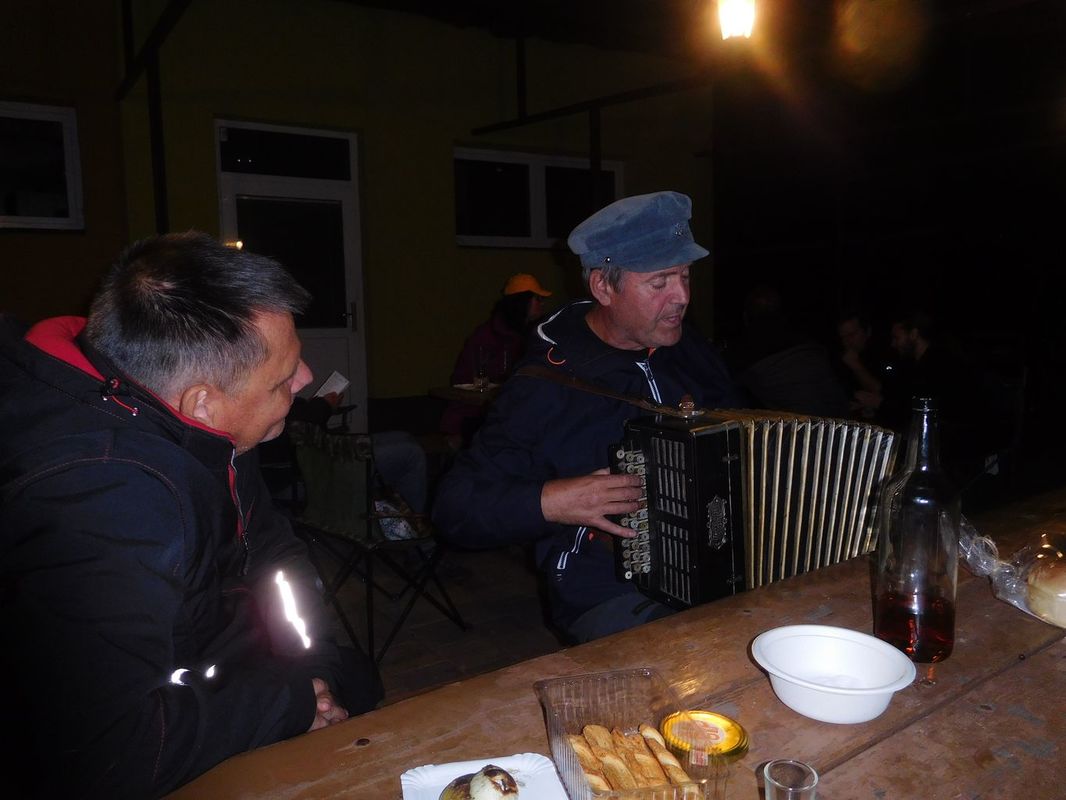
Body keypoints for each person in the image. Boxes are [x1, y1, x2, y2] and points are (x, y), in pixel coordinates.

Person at [0, 232, 381, 798]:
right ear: (202, 403)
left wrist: (312, 670)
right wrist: (286, 703)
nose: (305, 380)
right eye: (282, 379)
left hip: (220, 668)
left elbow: (272, 556)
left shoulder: (194, 418)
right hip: (128, 738)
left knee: (356, 678)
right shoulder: (103, 500)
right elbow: (105, 757)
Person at [433, 191, 740, 643]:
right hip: (608, 589)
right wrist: (552, 502)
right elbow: (455, 509)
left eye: (685, 276)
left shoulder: (689, 349)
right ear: (603, 287)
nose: (681, 297)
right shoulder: (545, 385)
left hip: (718, 564)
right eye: (659, 282)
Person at [440, 272, 552, 448]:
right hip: (477, 416)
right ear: (522, 302)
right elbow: (465, 381)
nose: (542, 304)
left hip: (509, 414)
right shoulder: (487, 337)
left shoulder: (534, 335)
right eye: (538, 299)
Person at [725, 285, 850, 418]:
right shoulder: (807, 340)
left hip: (805, 425)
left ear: (745, 316)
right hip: (839, 422)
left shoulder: (743, 351)